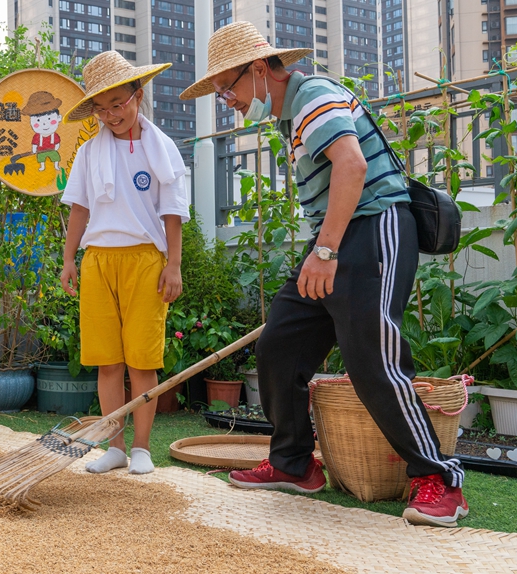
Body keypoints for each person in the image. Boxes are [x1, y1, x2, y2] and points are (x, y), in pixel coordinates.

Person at [180, 21, 468, 528]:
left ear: (258, 68)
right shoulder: (287, 115)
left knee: (371, 358)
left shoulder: (313, 94)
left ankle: (440, 481)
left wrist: (327, 250)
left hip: (375, 226)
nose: (225, 98)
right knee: (280, 345)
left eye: (227, 87)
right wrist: (325, 247)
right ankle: (294, 463)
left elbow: (352, 167)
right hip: (336, 240)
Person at [60, 51, 190, 475]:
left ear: (138, 96)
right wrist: (69, 259)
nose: (111, 115)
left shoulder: (162, 147)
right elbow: (78, 209)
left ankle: (142, 448)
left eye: (118, 104)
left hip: (145, 261)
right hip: (98, 260)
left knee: (141, 359)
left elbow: (172, 211)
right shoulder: (89, 153)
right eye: (101, 109)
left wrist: (174, 264)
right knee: (107, 360)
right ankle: (113, 446)